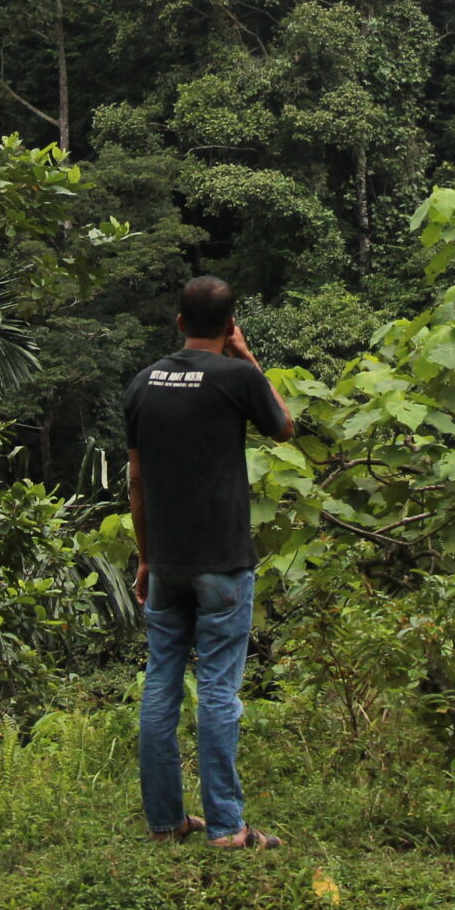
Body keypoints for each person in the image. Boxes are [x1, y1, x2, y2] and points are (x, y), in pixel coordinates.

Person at [124, 274, 296, 849]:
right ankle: (227, 827)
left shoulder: (143, 383)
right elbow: (285, 427)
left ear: (177, 322)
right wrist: (246, 355)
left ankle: (166, 820)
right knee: (219, 691)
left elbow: (137, 482)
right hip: (222, 560)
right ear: (229, 324)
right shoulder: (238, 376)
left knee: (160, 688)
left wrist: (146, 559)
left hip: (167, 562)